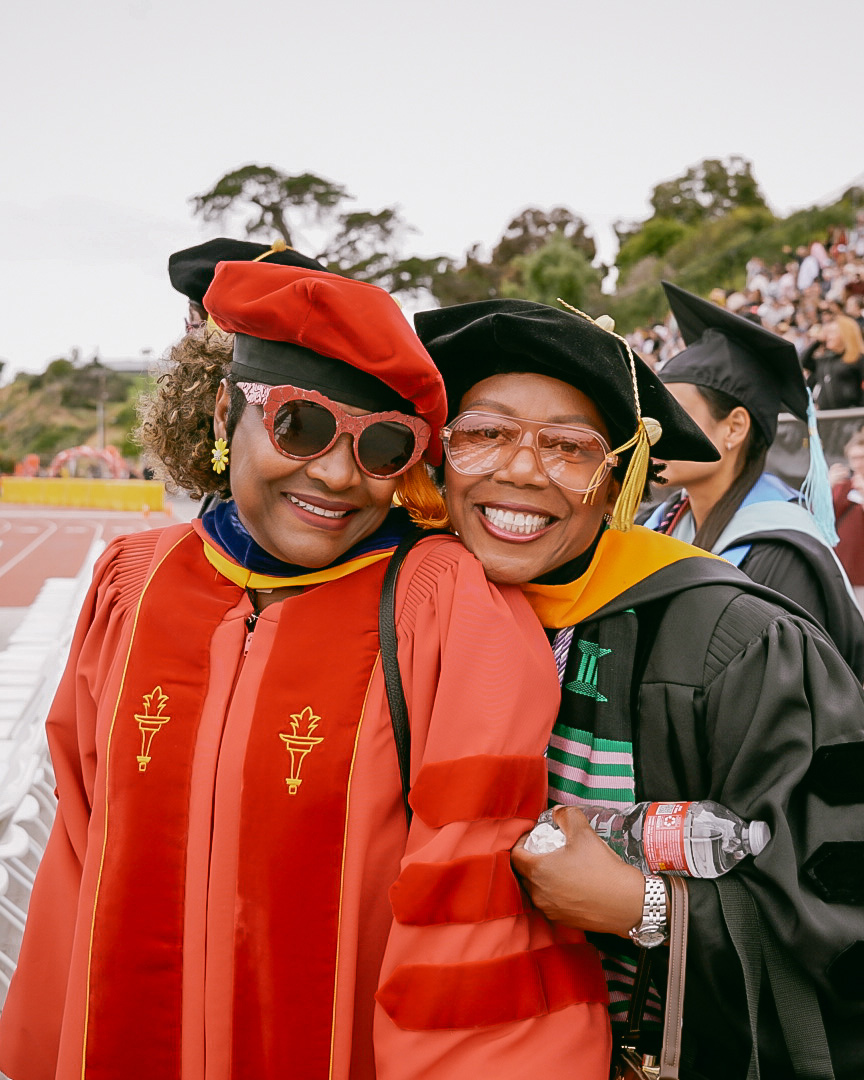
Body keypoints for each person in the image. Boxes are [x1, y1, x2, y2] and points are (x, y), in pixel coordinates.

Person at [0, 265, 612, 1080]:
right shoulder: (132, 586)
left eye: (382, 445)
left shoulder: (441, 610)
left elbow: (473, 919)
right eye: (300, 426)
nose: (334, 473)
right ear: (228, 413)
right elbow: (76, 857)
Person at [414, 297, 864, 1079]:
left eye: (570, 447)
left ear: (618, 481)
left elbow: (847, 914)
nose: (520, 470)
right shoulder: (412, 617)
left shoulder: (740, 643)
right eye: (484, 434)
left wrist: (643, 908)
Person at [644, 281, 864, 677]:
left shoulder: (783, 556)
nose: (656, 430)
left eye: (675, 414)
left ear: (734, 428)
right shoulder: (659, 524)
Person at [831, 429, 864, 610]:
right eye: (854, 458)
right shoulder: (843, 485)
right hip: (843, 566)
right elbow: (824, 518)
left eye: (862, 457)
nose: (858, 463)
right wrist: (827, 486)